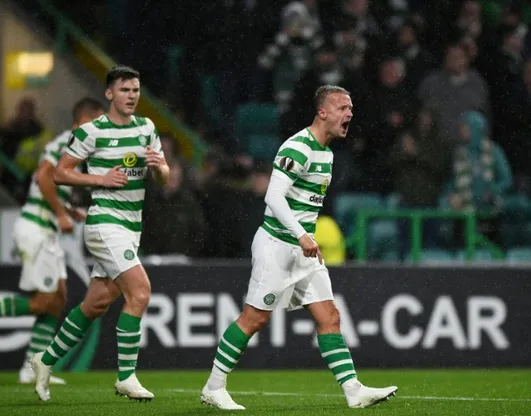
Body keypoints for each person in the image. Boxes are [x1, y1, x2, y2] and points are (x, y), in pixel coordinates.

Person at [199, 85, 398, 410]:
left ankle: (353, 391)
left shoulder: (327, 154)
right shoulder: (298, 147)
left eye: (350, 108)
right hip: (277, 245)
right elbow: (273, 197)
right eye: (342, 108)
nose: (349, 114)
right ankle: (213, 387)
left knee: (329, 317)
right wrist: (302, 235)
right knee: (254, 319)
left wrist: (305, 238)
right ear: (322, 112)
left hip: (304, 250)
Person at [29, 66, 170, 402]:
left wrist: (158, 168)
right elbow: (59, 174)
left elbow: (163, 178)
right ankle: (126, 377)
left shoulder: (147, 128)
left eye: (135, 90)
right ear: (109, 94)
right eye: (125, 90)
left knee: (95, 305)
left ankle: (44, 359)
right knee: (140, 293)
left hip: (131, 227)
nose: (132, 96)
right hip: (104, 223)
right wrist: (100, 179)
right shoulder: (91, 132)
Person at [0, 98, 106, 385]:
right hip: (36, 228)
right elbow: (43, 176)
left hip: (46, 231)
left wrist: (67, 210)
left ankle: (33, 367)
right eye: (97, 122)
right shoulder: (69, 141)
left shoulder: (75, 148)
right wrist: (61, 214)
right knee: (44, 301)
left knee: (57, 300)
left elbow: (48, 184)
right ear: (82, 121)